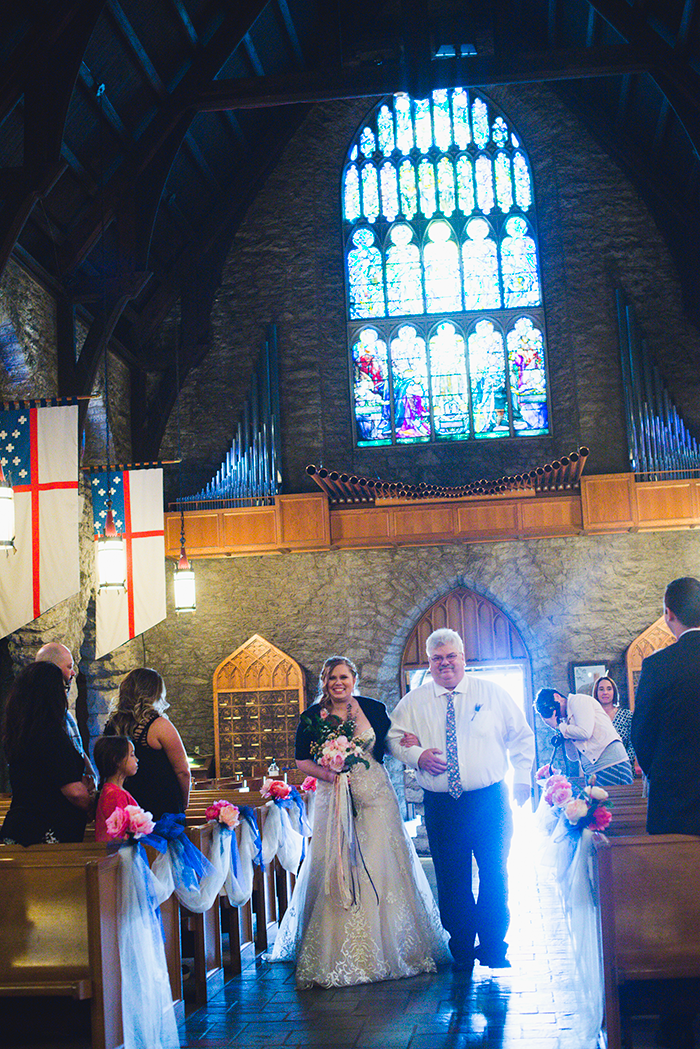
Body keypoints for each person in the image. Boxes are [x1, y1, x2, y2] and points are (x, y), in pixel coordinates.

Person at [269, 656, 449, 988]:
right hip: (334, 795)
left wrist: (413, 743)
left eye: (344, 677)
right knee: (339, 862)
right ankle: (340, 950)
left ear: (354, 679)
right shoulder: (312, 717)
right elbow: (301, 760)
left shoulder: (374, 708)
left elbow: (392, 740)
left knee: (382, 861)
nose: (338, 683)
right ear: (324, 682)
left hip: (376, 794)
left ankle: (396, 948)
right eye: (332, 678)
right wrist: (330, 773)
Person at [388, 629, 535, 972]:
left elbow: (522, 736)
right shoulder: (414, 702)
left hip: (489, 802)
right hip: (443, 806)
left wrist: (524, 779)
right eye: (437, 659)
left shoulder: (492, 694)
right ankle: (462, 947)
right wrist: (419, 755)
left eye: (451, 656)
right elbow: (394, 739)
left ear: (463, 658)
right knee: (451, 878)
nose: (445, 664)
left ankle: (495, 945)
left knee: (495, 873)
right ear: (429, 662)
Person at [632, 576, 700, 1049]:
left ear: (668, 615)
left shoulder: (658, 665)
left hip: (678, 805)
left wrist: (664, 773)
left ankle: (677, 1020)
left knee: (680, 912)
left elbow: (642, 735)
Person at [0, 662, 91, 844]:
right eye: (63, 687)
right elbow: (74, 792)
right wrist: (96, 807)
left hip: (21, 826)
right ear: (52, 694)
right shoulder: (49, 734)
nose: (65, 693)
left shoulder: (22, 731)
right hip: (45, 831)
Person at [104, 667, 190, 819]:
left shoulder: (112, 725)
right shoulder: (160, 725)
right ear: (155, 693)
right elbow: (183, 771)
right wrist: (184, 801)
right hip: (161, 805)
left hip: (127, 803)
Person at [535, 687, 633, 787]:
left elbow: (585, 732)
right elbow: (573, 756)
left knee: (615, 802)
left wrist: (558, 726)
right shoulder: (565, 722)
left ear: (557, 696)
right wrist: (560, 729)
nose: (556, 713)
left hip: (611, 765)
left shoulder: (578, 701)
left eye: (554, 709)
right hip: (592, 772)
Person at [36, 641, 98, 791]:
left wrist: (92, 778)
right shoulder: (43, 719)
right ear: (53, 671)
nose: (73, 673)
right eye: (69, 667)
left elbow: (79, 751)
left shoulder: (65, 715)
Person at [93, 736, 139, 842]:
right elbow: (121, 833)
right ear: (117, 760)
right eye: (132, 755)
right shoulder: (114, 794)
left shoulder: (115, 790)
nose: (136, 759)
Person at [592, 675, 641, 777]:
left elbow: (633, 743)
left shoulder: (627, 715)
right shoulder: (592, 718)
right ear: (596, 693)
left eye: (609, 689)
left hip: (624, 770)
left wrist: (623, 763)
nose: (605, 692)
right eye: (601, 689)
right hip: (600, 772)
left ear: (614, 692)